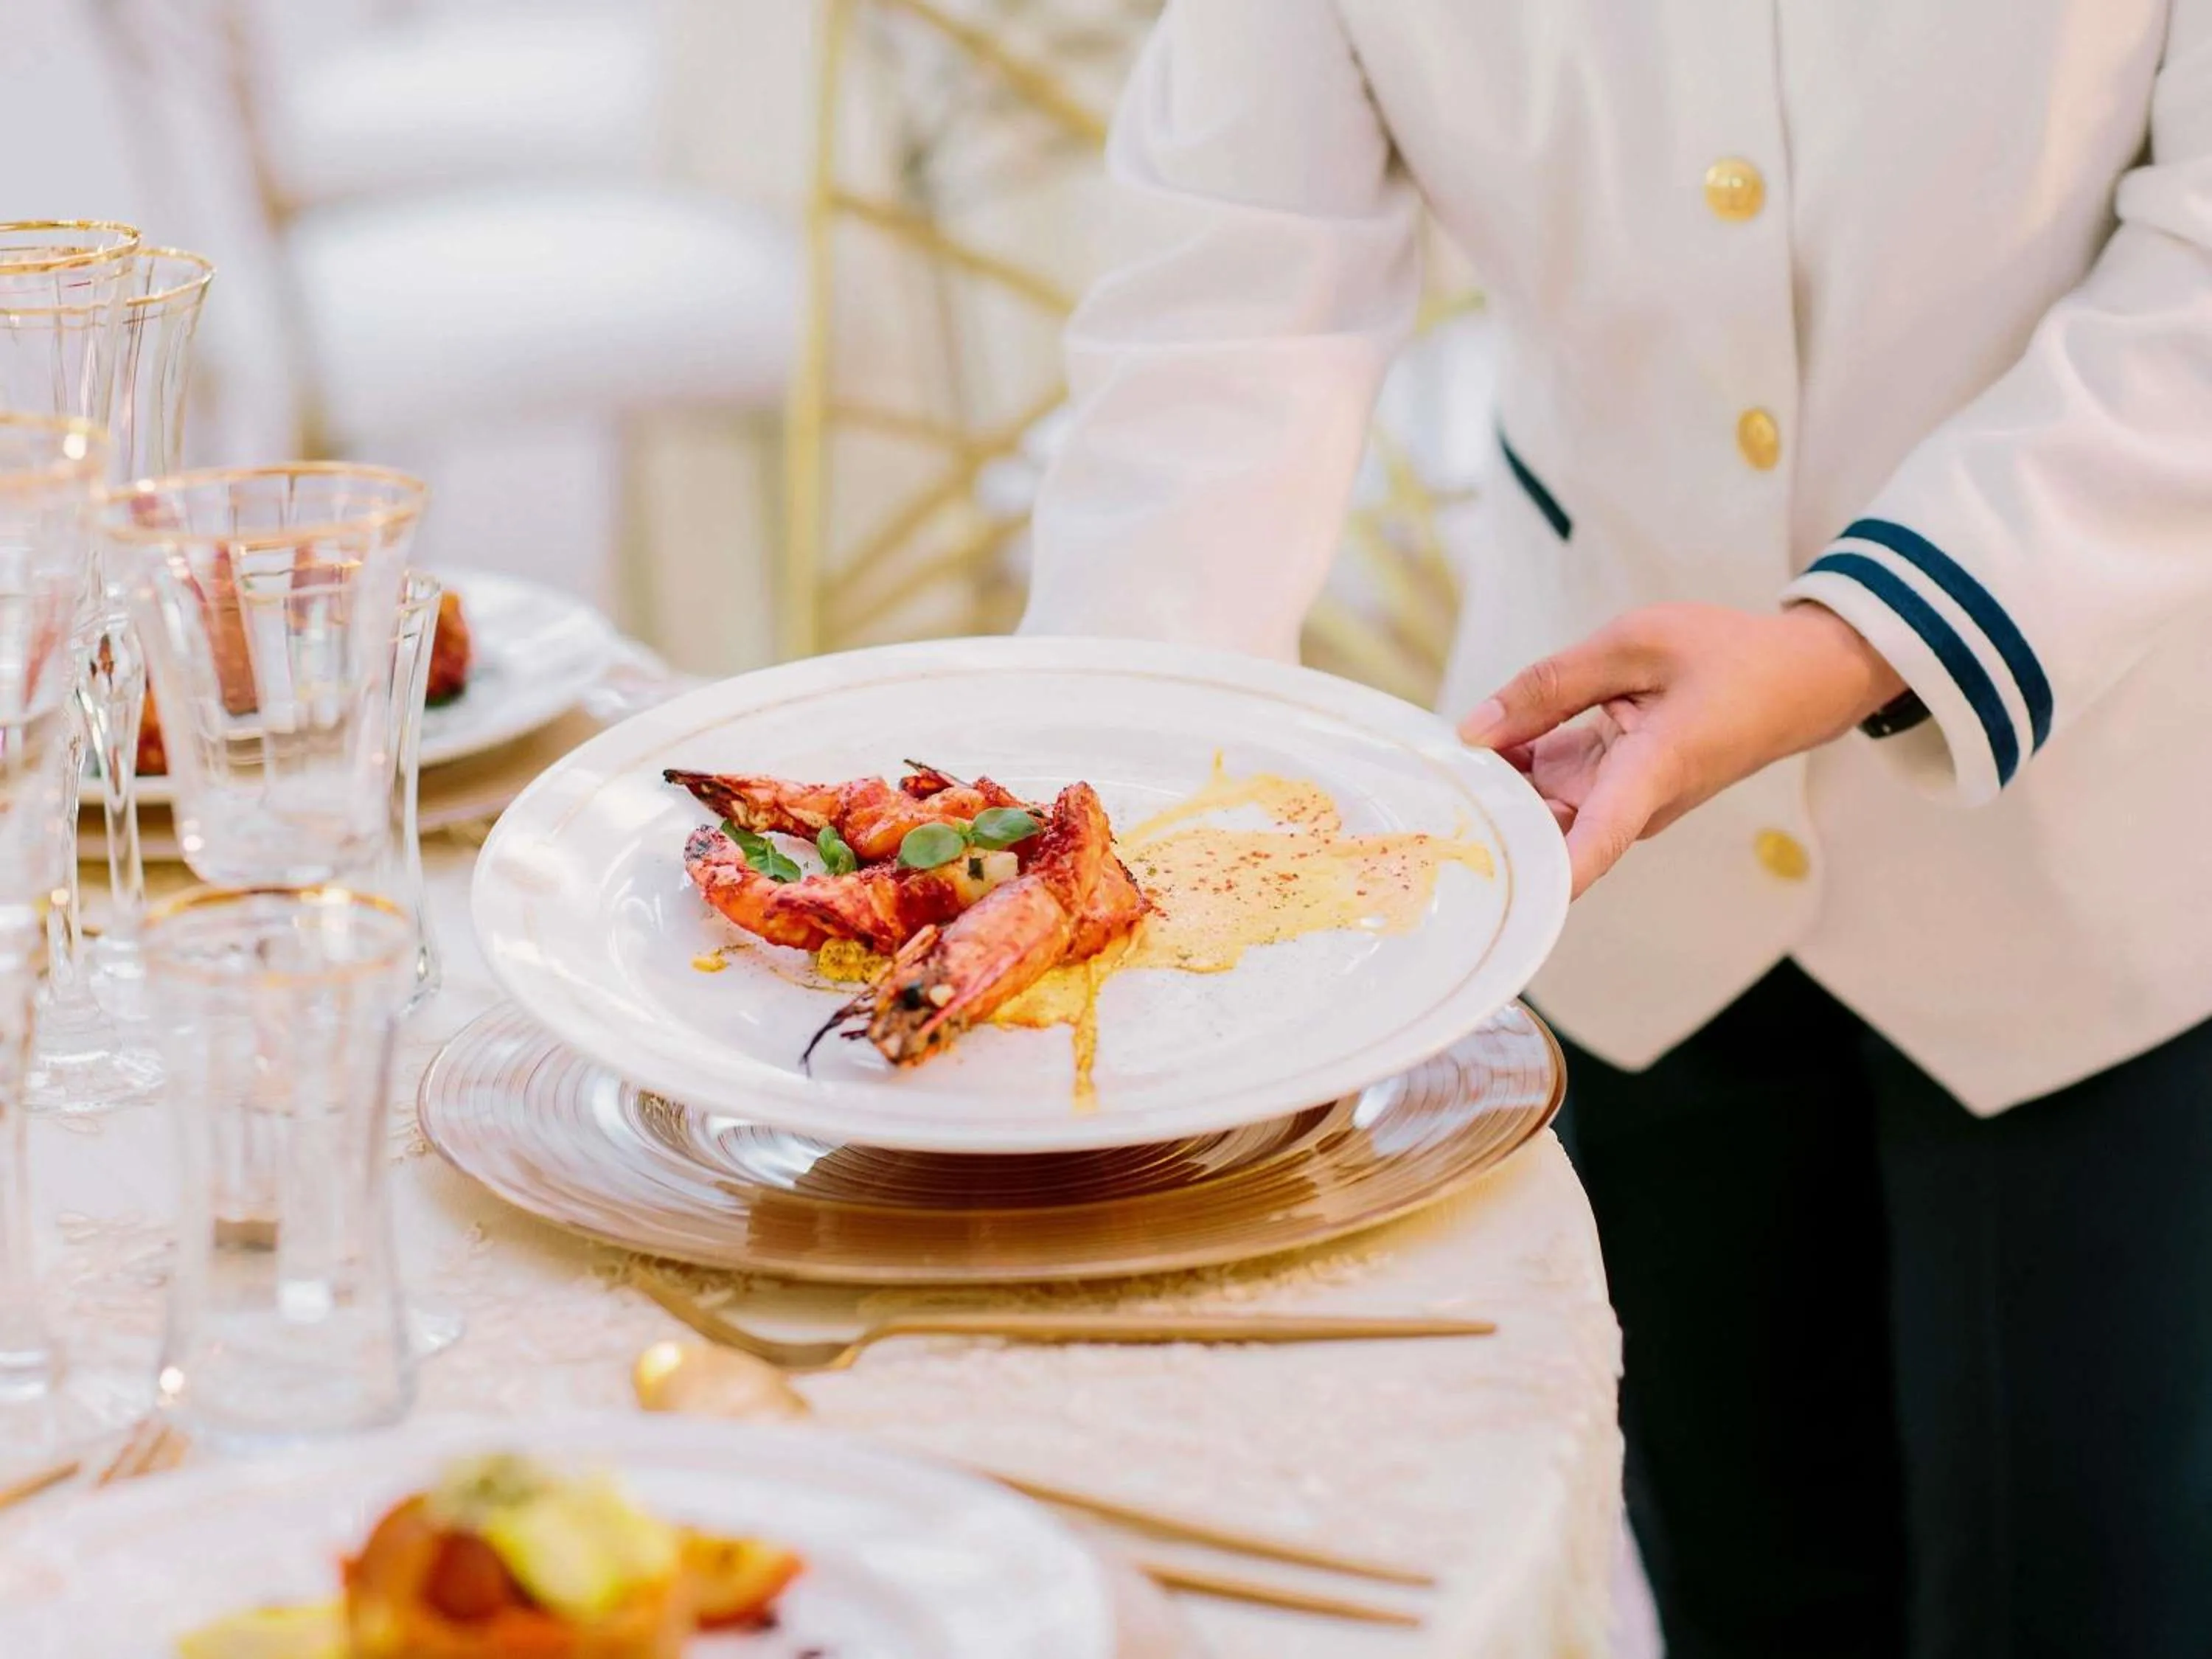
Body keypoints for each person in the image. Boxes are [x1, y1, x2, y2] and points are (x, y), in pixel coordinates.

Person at [1018, 5, 2212, 1656]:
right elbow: (1226, 315)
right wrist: (1093, 856)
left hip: (2102, 849)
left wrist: (1848, 644)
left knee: (2090, 1593)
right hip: (1622, 878)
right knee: (1744, 1584)